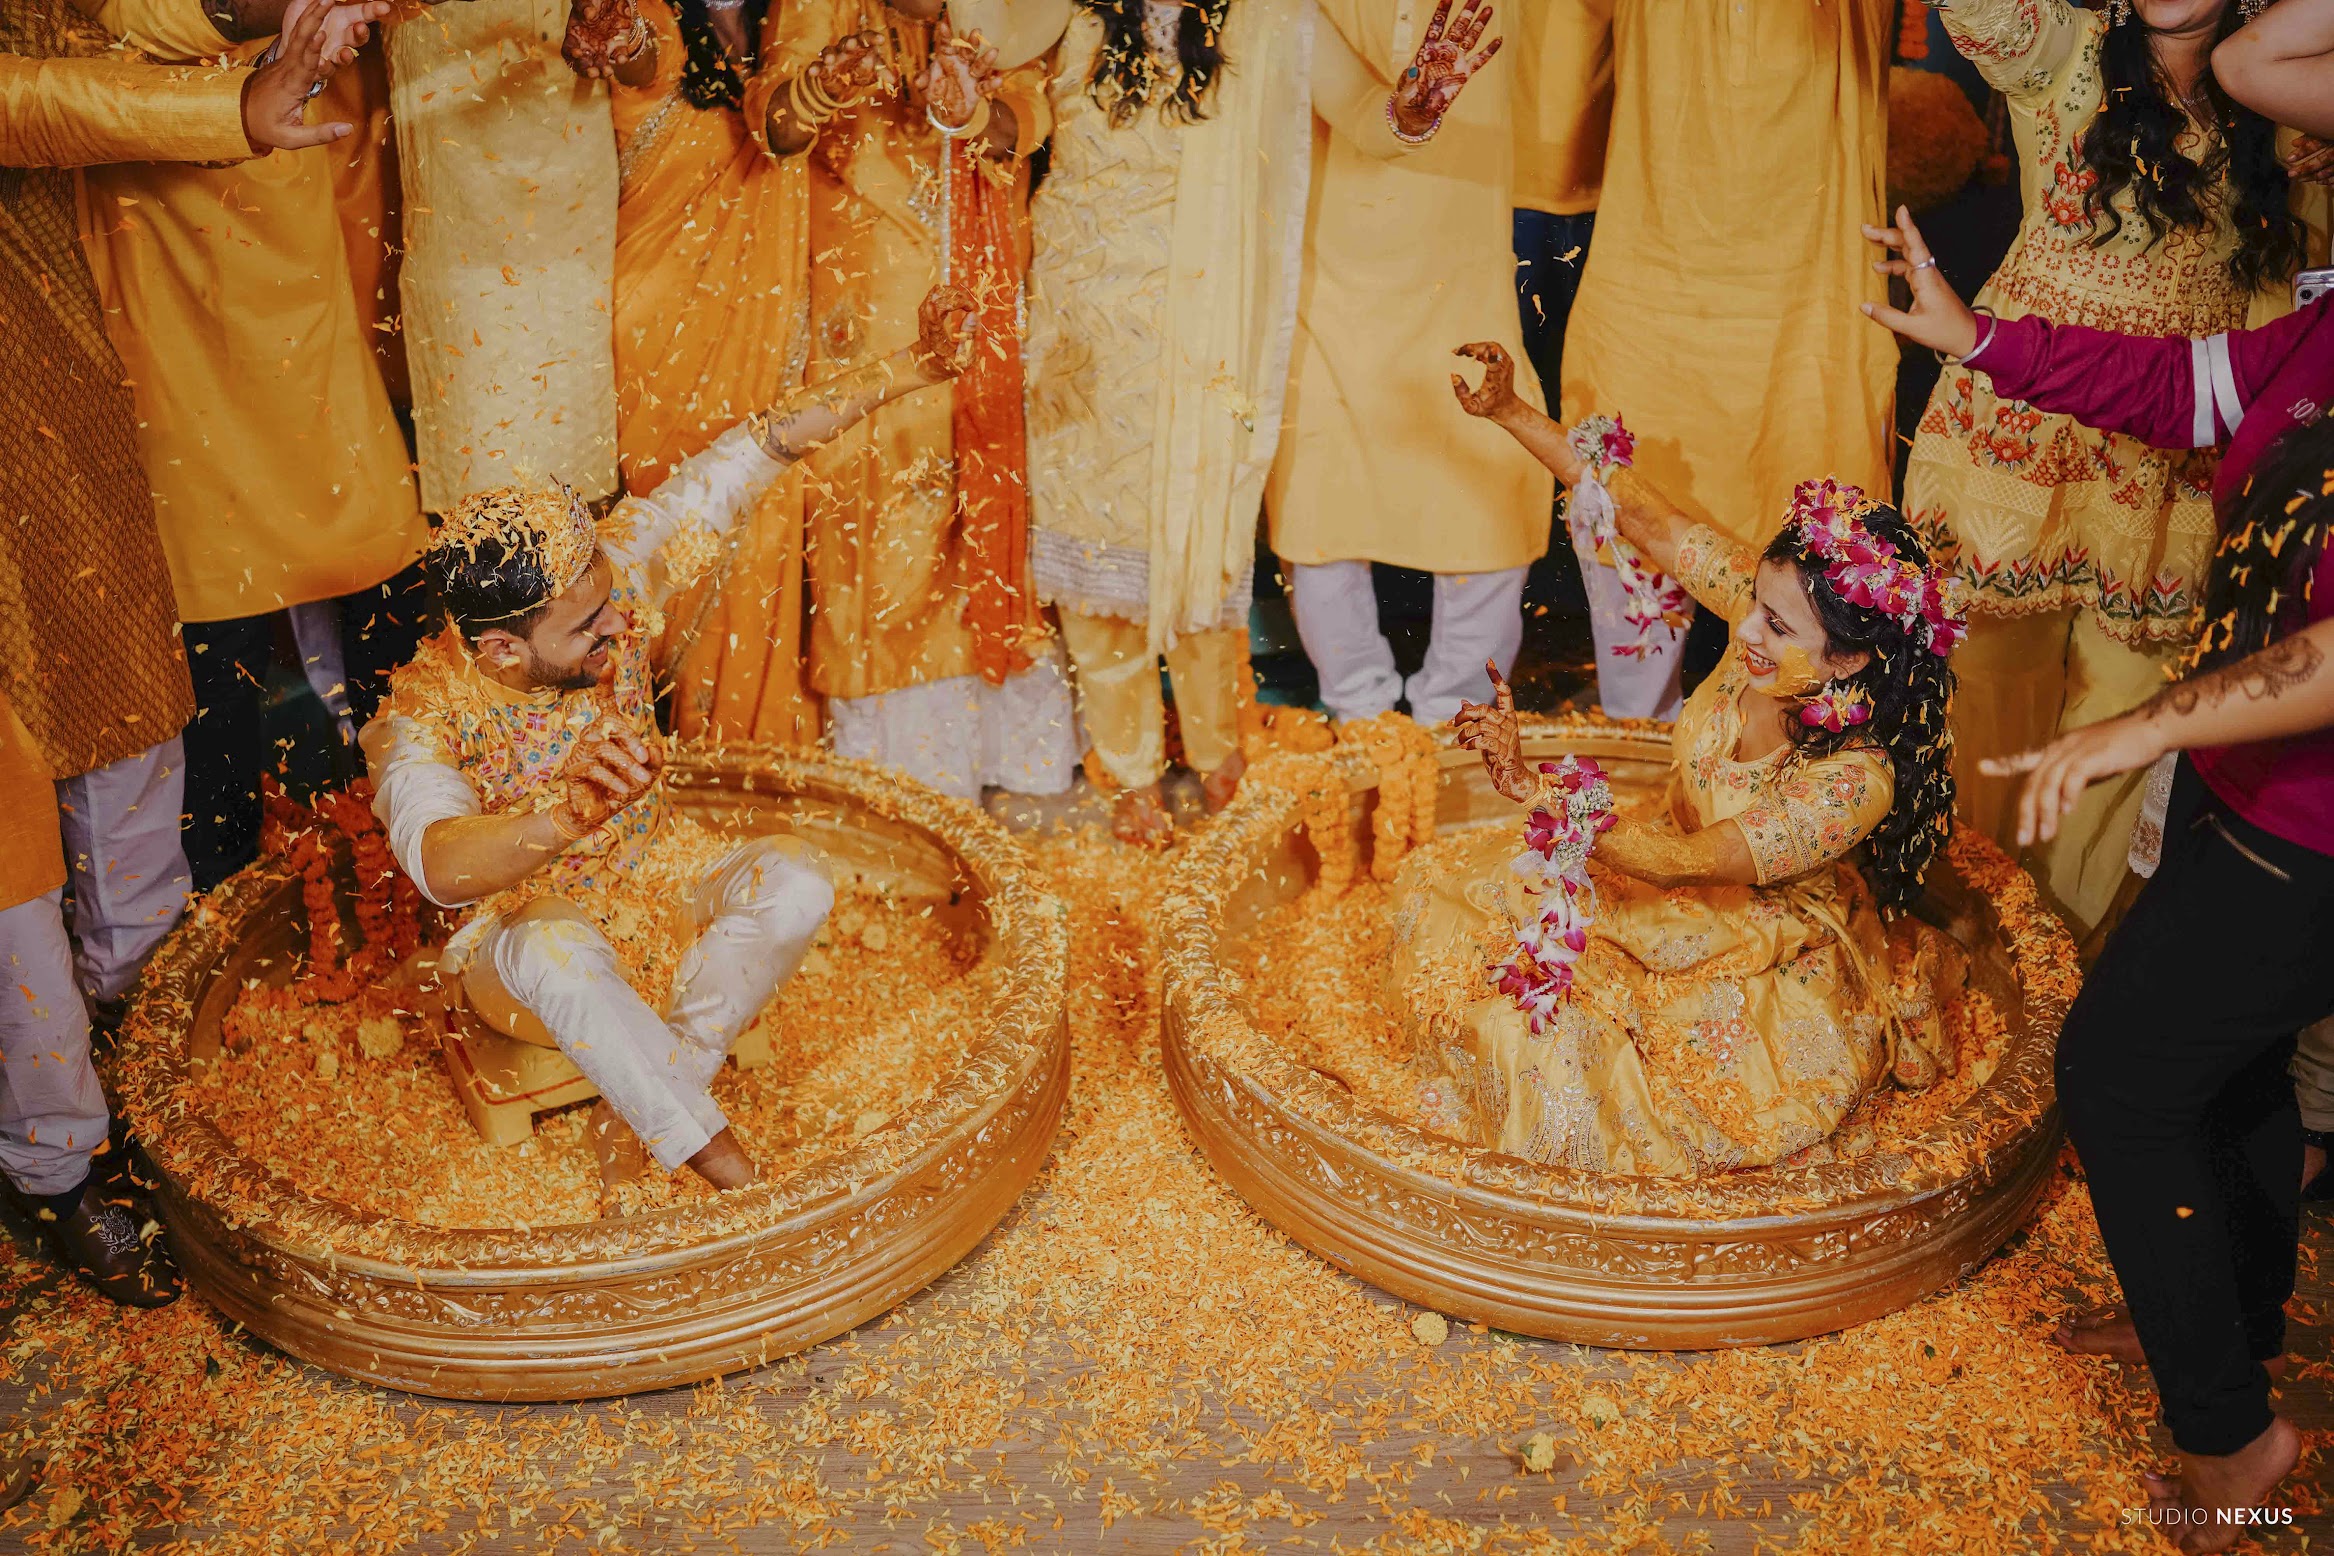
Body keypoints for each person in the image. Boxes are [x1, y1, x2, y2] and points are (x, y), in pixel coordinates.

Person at [1867, 206, 2333, 1551]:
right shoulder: (2319, 325)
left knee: (2119, 1076)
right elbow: (2182, 386)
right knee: (2225, 1066)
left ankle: (2234, 1446)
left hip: (2310, 826)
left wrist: (2144, 723)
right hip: (2241, 778)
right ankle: (2219, 1322)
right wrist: (1977, 340)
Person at [364, 284, 976, 1201]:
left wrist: (916, 367)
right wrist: (562, 816)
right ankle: (719, 1161)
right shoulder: (420, 712)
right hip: (523, 960)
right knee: (554, 952)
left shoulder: (605, 583)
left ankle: (653, 1094)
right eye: (585, 629)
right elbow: (437, 864)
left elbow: (762, 446)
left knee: (798, 879)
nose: (620, 629)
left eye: (611, 603)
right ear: (501, 648)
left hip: (663, 883)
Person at [0, 0, 381, 1317]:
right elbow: (23, 96)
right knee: (3, 846)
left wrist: (238, 23)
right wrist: (225, 108)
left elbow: (96, 30)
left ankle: (162, 1082)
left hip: (57, 384)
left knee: (125, 724)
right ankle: (58, 1165)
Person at [1390, 340, 1963, 1175]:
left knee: (1556, 1046)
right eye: (1753, 604)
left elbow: (1694, 862)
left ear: (1848, 661)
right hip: (1643, 853)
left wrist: (1538, 791)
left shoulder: (1854, 780)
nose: (1745, 631)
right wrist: (1512, 412)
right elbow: (1646, 516)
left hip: (1744, 935)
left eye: (1775, 626)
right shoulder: (1772, 615)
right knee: (1439, 905)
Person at [1018, 0, 1497, 842]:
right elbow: (1012, 104)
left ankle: (1217, 754)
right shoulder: (1071, 11)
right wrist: (965, 106)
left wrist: (1411, 110)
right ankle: (1126, 769)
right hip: (1079, 329)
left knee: (1203, 539)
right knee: (1090, 550)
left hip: (1204, 330)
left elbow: (1361, 113)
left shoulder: (1270, 18)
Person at [1902, 0, 2307, 947]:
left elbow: (2298, 292)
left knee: (2119, 730)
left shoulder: (2288, 108)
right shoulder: (2063, 53)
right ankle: (1939, 943)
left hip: (2172, 465)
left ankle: (2050, 968)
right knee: (1970, 703)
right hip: (2014, 440)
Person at [78, 0, 435, 889]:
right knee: (216, 637)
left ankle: (429, 878)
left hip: (313, 284)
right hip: (170, 270)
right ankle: (223, 933)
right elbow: (109, 22)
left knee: (391, 602)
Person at [743, 0, 1080, 802]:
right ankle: (909, 774)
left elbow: (1031, 107)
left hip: (985, 265)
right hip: (866, 297)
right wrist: (824, 86)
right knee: (884, 518)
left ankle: (1005, 746)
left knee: (993, 504)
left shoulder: (996, 6)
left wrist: (977, 110)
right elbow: (773, 125)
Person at [1554, 0, 1895, 719]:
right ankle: (1640, 779)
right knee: (1632, 582)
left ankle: (1794, 807)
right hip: (1654, 283)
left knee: (1817, 641)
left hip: (1808, 298)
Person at [1267, 0, 1537, 733]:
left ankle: (1454, 723)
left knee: (1488, 503)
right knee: (1319, 508)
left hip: (1461, 262)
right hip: (1327, 272)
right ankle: (1362, 723)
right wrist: (1402, 116)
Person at [586, 0, 821, 747]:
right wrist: (614, 35)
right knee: (675, 533)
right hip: (658, 337)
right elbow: (635, 53)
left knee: (764, 514)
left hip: (765, 324)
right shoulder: (648, 14)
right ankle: (672, 764)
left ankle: (755, 759)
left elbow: (790, 124)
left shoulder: (791, 20)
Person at [385, 0, 625, 516]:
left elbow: (637, 45)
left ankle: (582, 589)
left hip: (570, 188)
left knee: (576, 463)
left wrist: (622, 31)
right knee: (483, 481)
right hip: (456, 183)